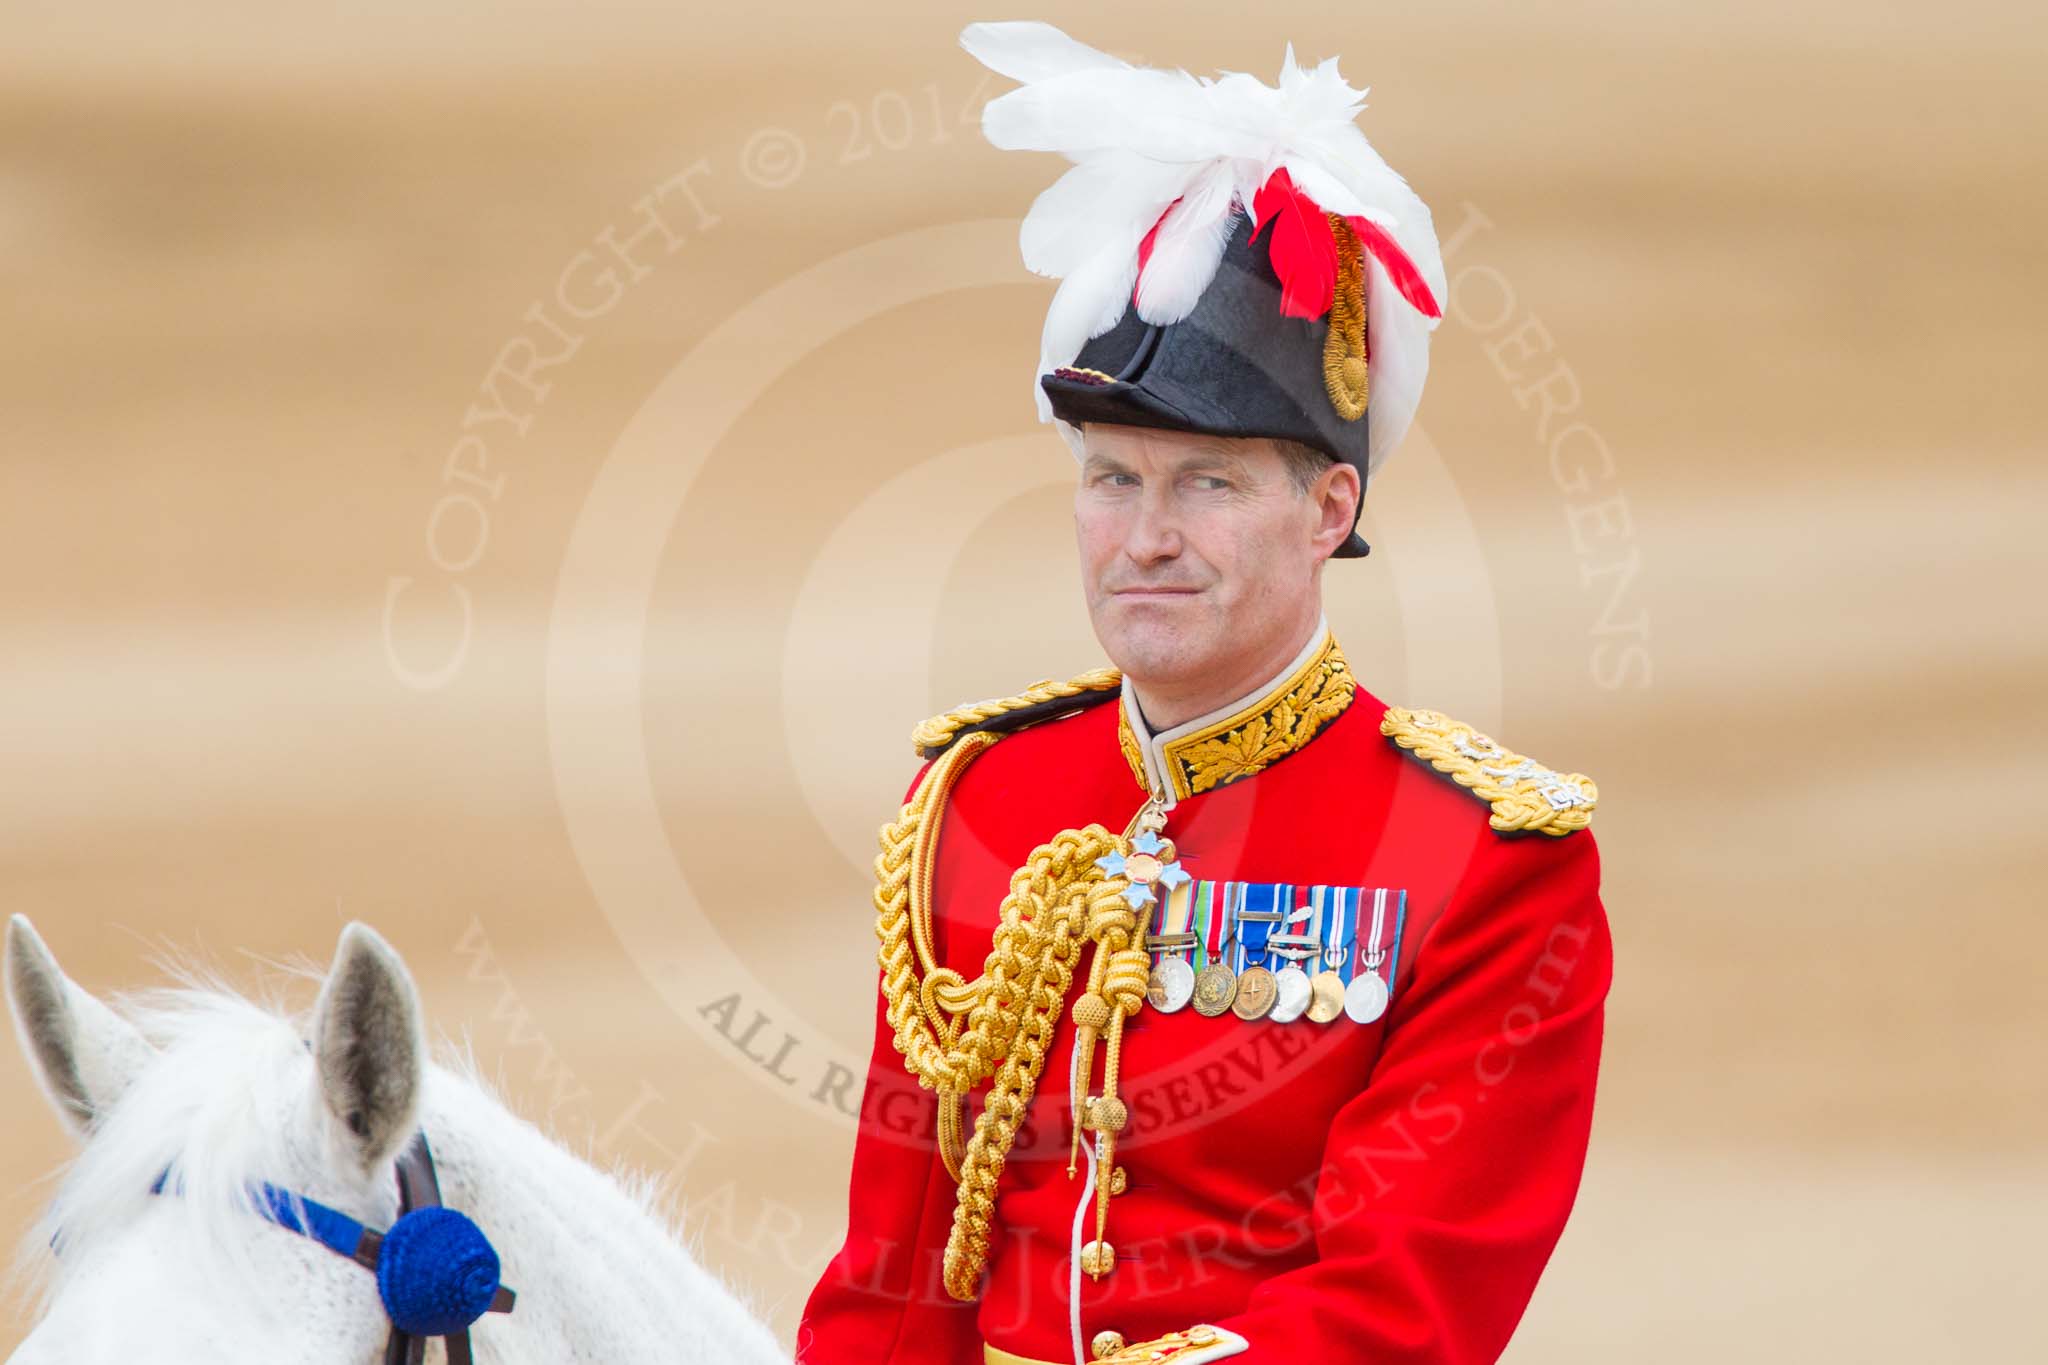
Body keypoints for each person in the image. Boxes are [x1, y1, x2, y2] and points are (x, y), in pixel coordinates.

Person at [796, 22, 1611, 1365]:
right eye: (1112, 478)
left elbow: (1395, 1311)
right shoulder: (980, 799)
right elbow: (895, 1281)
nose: (1145, 536)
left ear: (1327, 508)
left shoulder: (1488, 863)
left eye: (1207, 483)